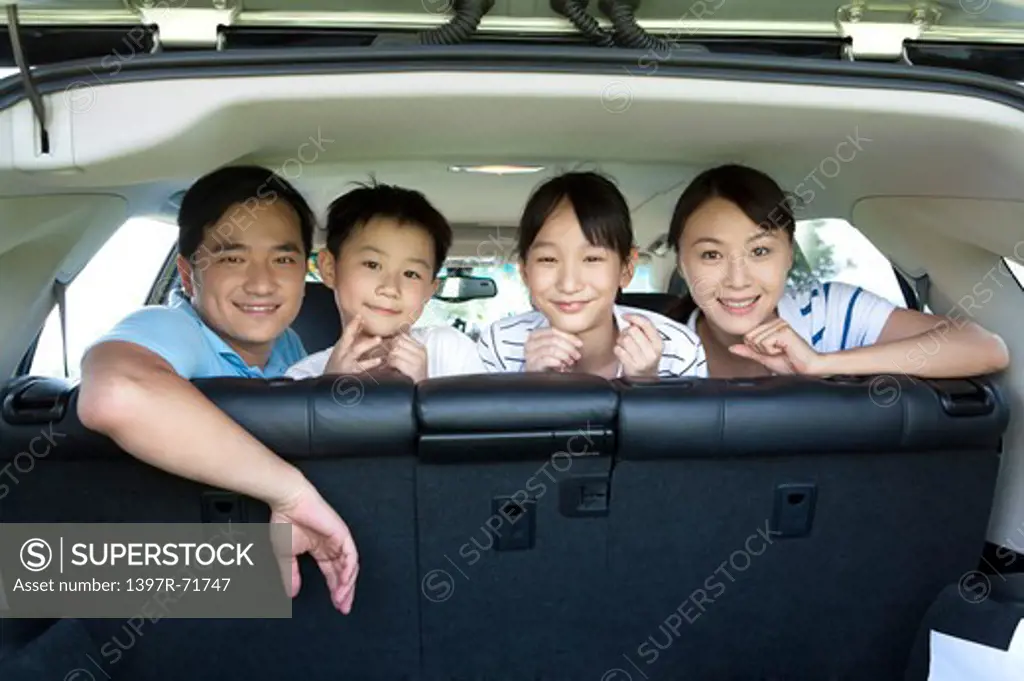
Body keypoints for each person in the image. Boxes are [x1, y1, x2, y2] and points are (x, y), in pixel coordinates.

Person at [77, 165, 360, 614]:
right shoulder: (169, 326)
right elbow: (117, 393)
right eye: (232, 257)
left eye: (283, 259)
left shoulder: (290, 346)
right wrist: (290, 493)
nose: (262, 282)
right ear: (188, 276)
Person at [668, 163, 1010, 379]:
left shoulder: (830, 311)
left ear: (789, 254)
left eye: (760, 251)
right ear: (682, 263)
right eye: (711, 255)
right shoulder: (653, 345)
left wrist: (820, 364)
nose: (738, 279)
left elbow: (985, 348)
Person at [478, 171, 705, 379]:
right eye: (548, 259)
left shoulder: (677, 347)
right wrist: (533, 386)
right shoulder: (501, 344)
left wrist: (643, 386)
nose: (569, 284)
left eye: (592, 259)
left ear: (626, 269)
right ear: (524, 272)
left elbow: (693, 424)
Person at [285, 181, 484, 381]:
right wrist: (328, 389)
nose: (390, 288)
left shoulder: (449, 351)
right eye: (372, 265)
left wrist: (423, 391)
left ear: (430, 291)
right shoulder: (303, 377)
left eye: (411, 274)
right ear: (329, 269)